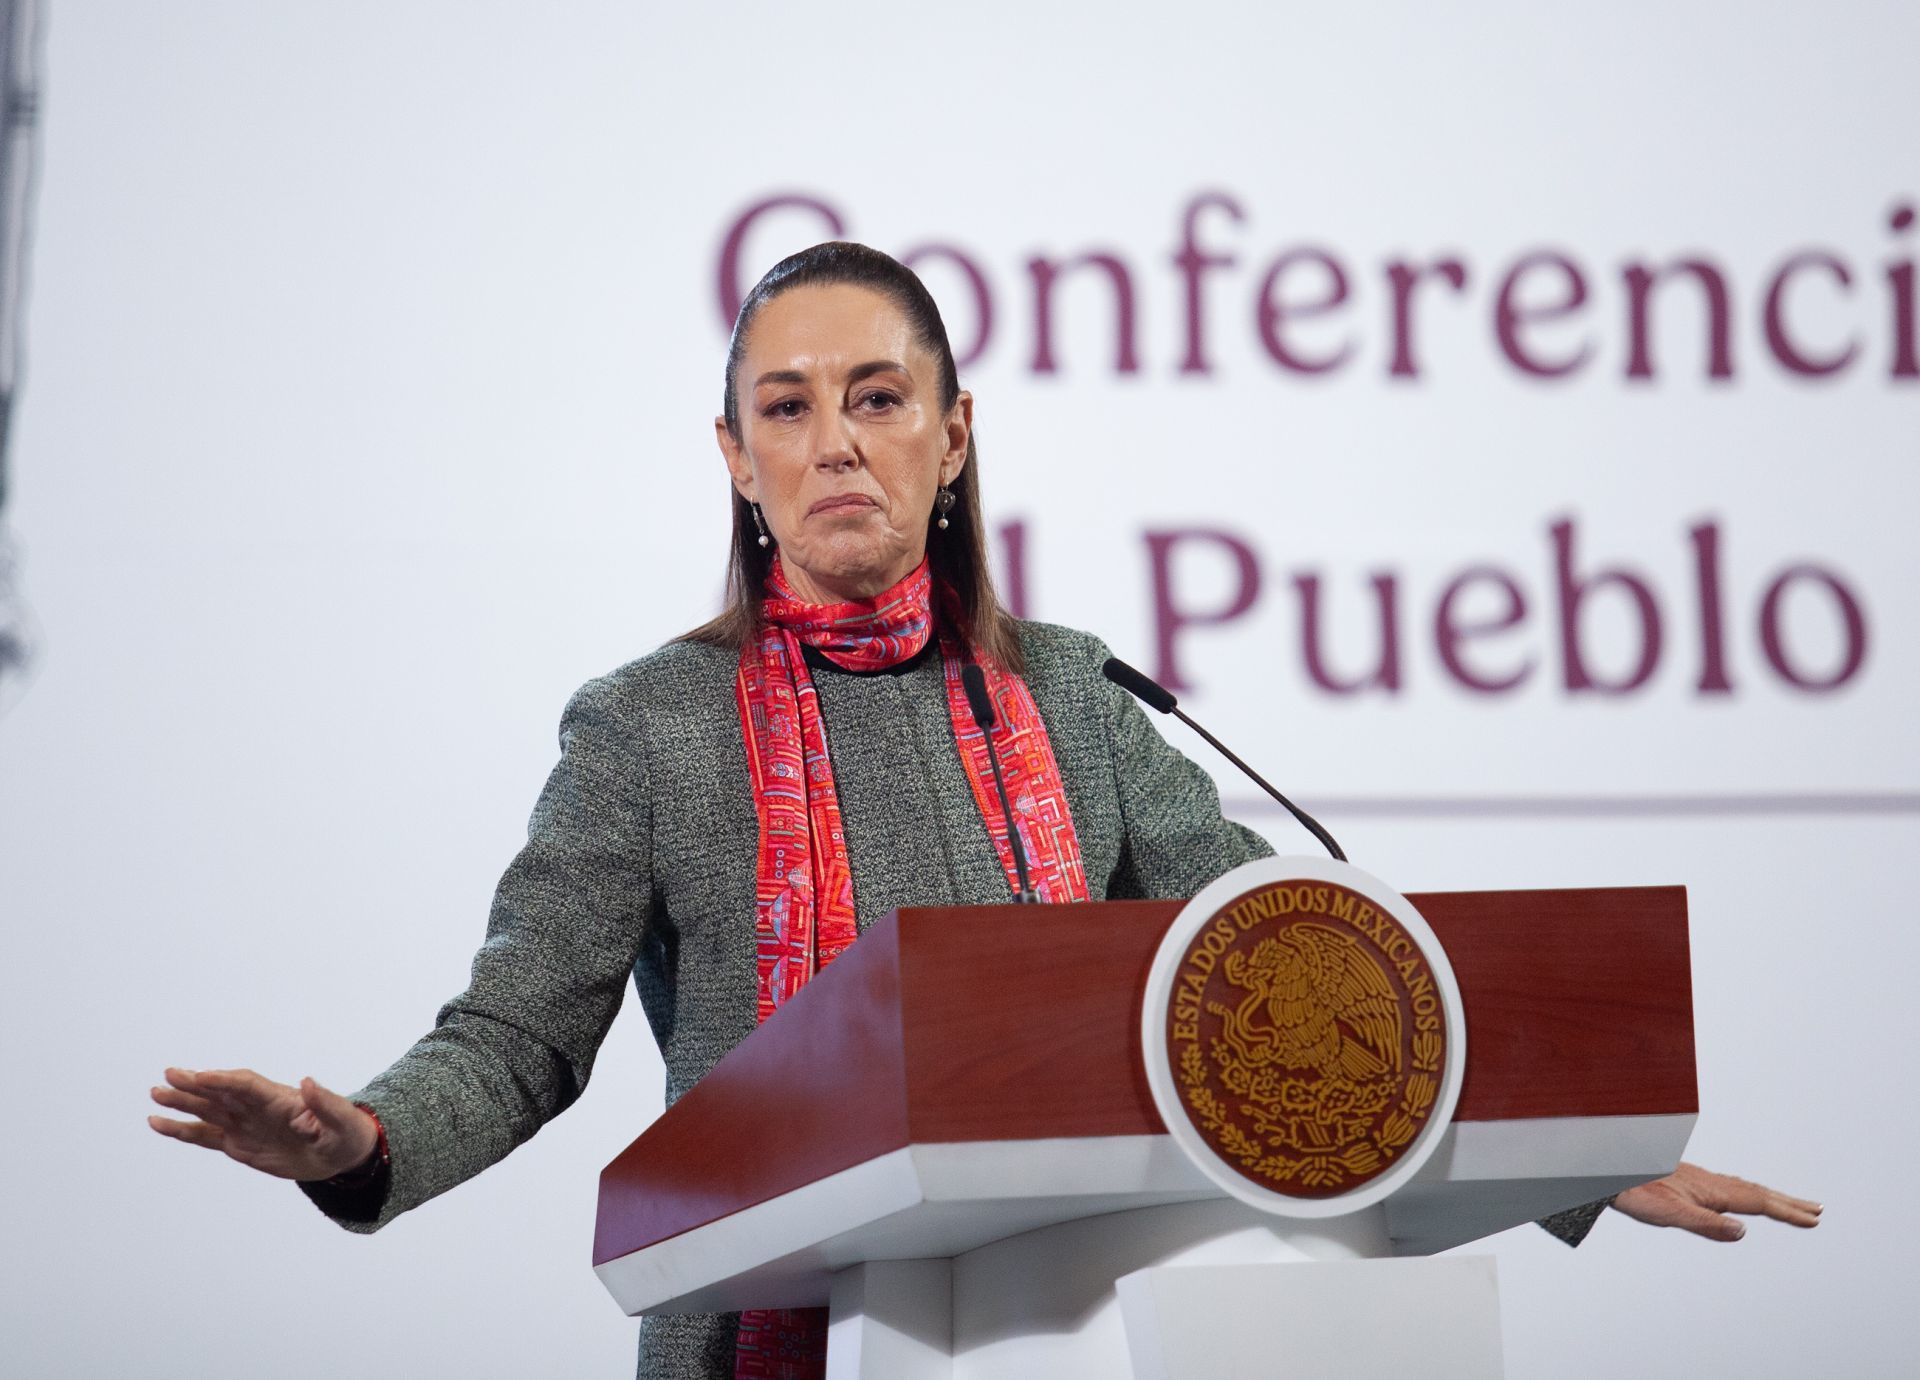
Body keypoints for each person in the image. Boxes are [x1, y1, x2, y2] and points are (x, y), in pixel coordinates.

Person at [149, 242, 1821, 1380]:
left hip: (1082, 1339)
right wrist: (358, 1141)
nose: (835, 443)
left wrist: (1571, 1163)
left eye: (878, 398)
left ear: (955, 438)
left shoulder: (1079, 702)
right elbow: (518, 1038)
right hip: (768, 1342)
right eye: (786, 409)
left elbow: (1289, 973)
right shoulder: (650, 726)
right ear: (733, 458)